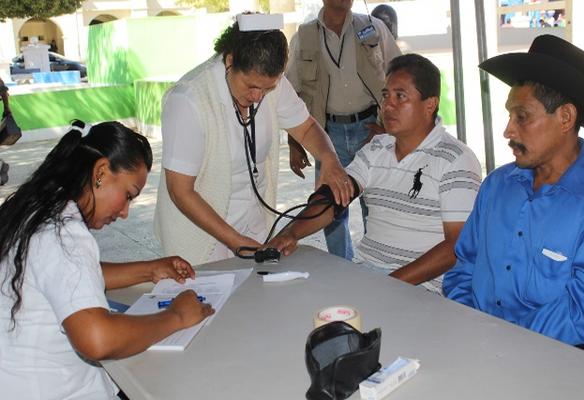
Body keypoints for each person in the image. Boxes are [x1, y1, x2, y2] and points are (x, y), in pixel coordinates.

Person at [0, 120, 215, 399]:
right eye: (127, 195)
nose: (125, 212)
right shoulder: (64, 233)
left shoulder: (39, 210)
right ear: (101, 171)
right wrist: (176, 316)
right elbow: (97, 339)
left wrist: (149, 269)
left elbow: (69, 276)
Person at [267, 54, 481, 293]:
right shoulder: (377, 148)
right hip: (368, 276)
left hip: (423, 289)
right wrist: (292, 233)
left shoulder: (456, 159)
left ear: (430, 104)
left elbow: (456, 245)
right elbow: (335, 199)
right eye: (385, 95)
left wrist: (387, 284)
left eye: (401, 96)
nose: (388, 105)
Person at [154, 14, 351, 266]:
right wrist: (235, 241)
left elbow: (306, 128)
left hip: (254, 228)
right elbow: (180, 191)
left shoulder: (273, 84)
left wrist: (329, 159)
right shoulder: (189, 99)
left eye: (267, 89)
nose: (258, 96)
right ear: (230, 61)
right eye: (250, 86)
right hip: (200, 239)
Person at [443, 35, 584, 349]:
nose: (508, 130)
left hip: (557, 360)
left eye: (522, 117)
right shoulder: (497, 185)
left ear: (566, 117)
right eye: (509, 115)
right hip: (477, 343)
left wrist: (503, 341)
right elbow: (464, 265)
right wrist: (469, 323)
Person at [286, 0, 401, 260]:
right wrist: (295, 143)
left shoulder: (373, 27)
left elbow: (399, 72)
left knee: (375, 201)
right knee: (330, 204)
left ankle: (378, 264)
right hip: (327, 134)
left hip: (370, 129)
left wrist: (384, 126)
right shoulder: (304, 36)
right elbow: (292, 93)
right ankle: (342, 266)